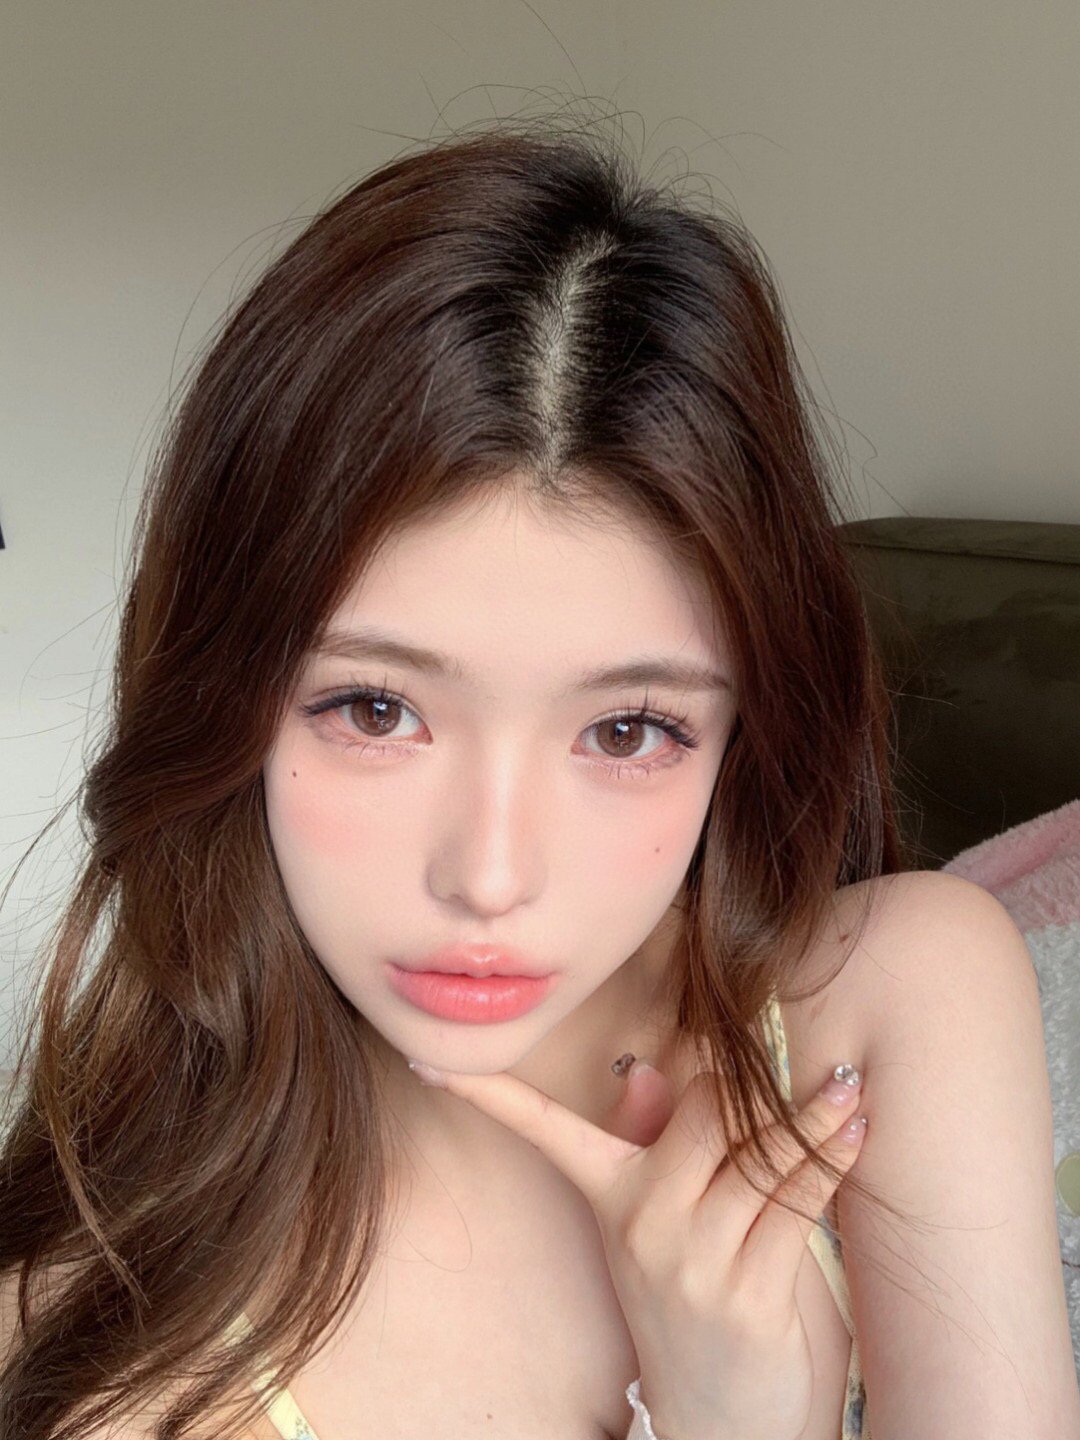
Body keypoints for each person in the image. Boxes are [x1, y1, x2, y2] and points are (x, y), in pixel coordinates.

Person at [1, 116, 1075, 1440]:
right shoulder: (95, 1363)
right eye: (376, 709)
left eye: (626, 731)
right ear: (224, 702)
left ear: (748, 728)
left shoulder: (895, 1003)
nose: (492, 875)